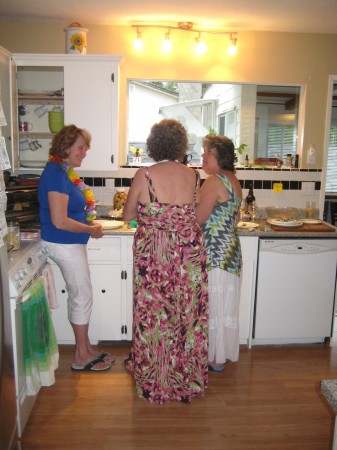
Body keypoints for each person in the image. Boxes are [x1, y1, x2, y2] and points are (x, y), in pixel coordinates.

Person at [123, 118, 208, 404]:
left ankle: (154, 381)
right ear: (181, 145)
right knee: (186, 317)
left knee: (154, 318)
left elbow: (127, 215)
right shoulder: (194, 176)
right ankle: (184, 382)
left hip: (155, 254)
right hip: (188, 253)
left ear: (153, 144)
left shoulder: (144, 174)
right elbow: (190, 212)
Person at [38, 124, 114, 372]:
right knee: (81, 296)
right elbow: (59, 220)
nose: (85, 152)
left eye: (86, 148)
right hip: (62, 242)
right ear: (66, 147)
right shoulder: (56, 174)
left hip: (68, 242)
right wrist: (90, 229)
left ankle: (86, 347)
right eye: (81, 147)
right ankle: (81, 356)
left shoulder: (63, 171)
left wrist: (87, 224)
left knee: (82, 295)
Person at [196, 134, 243, 372]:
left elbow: (198, 218)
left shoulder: (214, 181)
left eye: (208, 152)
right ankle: (219, 355)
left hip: (215, 252)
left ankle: (213, 356)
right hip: (231, 252)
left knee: (212, 304)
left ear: (219, 157)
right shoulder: (233, 179)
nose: (203, 156)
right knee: (224, 304)